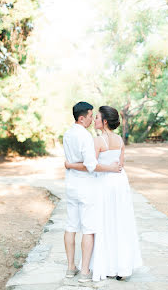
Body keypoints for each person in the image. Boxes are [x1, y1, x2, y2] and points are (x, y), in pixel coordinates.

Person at [65, 105, 142, 282]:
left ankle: (106, 265)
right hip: (120, 182)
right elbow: (119, 165)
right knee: (120, 223)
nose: (95, 120)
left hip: (105, 183)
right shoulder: (120, 140)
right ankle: (122, 266)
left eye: (97, 118)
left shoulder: (98, 141)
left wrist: (69, 165)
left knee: (104, 224)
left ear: (105, 121)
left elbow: (90, 166)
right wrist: (113, 169)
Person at [63, 102, 121, 283]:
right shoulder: (85, 137)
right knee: (88, 229)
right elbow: (91, 166)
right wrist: (110, 169)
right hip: (86, 188)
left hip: (70, 185)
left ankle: (71, 267)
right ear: (82, 118)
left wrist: (70, 165)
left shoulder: (67, 134)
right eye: (90, 116)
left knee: (71, 226)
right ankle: (85, 272)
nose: (91, 119)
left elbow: (71, 160)